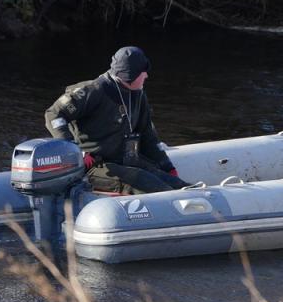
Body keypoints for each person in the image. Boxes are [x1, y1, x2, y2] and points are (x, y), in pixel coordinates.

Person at [44, 46, 190, 193]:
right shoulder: (93, 91)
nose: (146, 76)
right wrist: (75, 152)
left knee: (176, 184)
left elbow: (148, 136)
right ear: (129, 75)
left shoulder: (138, 95)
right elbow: (54, 114)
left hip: (127, 161)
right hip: (96, 166)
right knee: (149, 184)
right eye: (142, 72)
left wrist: (167, 167)